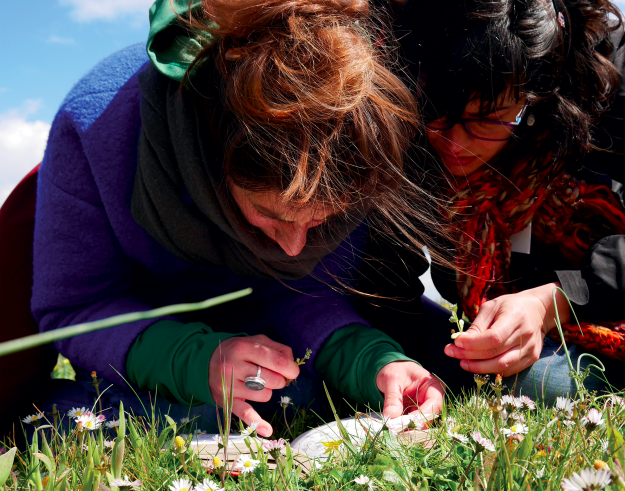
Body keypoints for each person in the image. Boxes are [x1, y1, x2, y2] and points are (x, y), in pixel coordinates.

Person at [30, 0, 446, 435]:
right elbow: (75, 308)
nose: (293, 249)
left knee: (316, 392)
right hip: (140, 350)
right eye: (269, 214)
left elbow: (304, 292)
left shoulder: (349, 136)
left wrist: (373, 362)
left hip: (274, 356)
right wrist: (193, 360)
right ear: (215, 160)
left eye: (322, 222)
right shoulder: (95, 122)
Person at [390, 0, 625, 401]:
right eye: (434, 112)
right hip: (529, 334)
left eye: (488, 118)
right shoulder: (397, 85)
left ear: (537, 93)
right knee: (545, 386)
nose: (454, 144)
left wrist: (556, 298)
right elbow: (387, 283)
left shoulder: (605, 65)